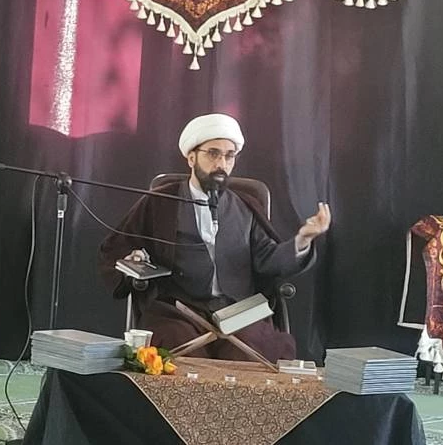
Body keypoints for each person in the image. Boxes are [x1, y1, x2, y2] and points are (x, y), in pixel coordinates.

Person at [98, 113, 331, 362]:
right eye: (213, 153)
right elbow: (118, 248)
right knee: (176, 351)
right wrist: (133, 260)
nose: (222, 163)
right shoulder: (161, 202)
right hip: (179, 311)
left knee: (249, 355)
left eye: (229, 156)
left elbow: (268, 259)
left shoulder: (246, 206)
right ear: (191, 158)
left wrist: (302, 240)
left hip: (239, 313)